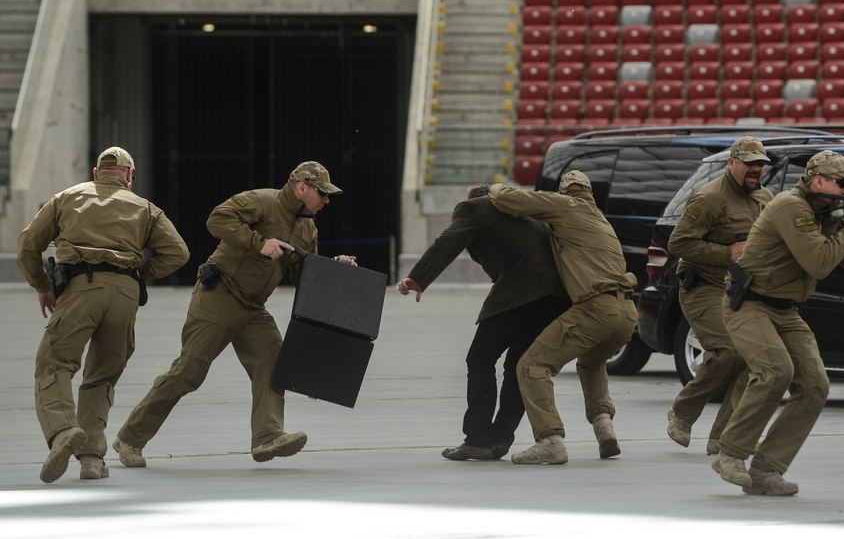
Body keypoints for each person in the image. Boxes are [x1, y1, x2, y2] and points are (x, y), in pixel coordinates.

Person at [114, 161, 356, 468]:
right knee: (189, 372)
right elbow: (217, 219)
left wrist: (334, 268)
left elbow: (301, 275)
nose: (326, 200)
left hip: (253, 308)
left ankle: (267, 437)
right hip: (220, 295)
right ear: (301, 188)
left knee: (273, 361)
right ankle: (129, 439)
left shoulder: (308, 229)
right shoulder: (262, 202)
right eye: (321, 193)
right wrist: (258, 243)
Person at [712, 150, 844, 496]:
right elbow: (819, 263)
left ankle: (766, 469)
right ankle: (731, 453)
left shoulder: (826, 213)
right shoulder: (791, 206)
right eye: (840, 183)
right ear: (818, 180)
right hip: (749, 304)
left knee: (815, 385)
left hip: (786, 309)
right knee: (776, 371)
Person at [17, 147, 189, 483]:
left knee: (54, 363)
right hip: (125, 296)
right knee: (102, 376)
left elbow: (27, 244)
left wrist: (41, 285)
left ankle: (64, 430)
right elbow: (179, 253)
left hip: (81, 289)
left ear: (97, 174)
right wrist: (140, 274)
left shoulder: (66, 197)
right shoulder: (146, 208)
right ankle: (92, 459)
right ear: (129, 176)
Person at [398, 185, 571, 461]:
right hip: (556, 296)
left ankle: (478, 439)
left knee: (480, 358)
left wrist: (419, 278)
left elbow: (449, 239)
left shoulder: (474, 208)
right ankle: (501, 438)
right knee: (519, 364)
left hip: (521, 291)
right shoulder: (527, 213)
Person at [488, 170, 638, 465]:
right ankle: (604, 427)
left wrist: (491, 188)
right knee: (592, 362)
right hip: (626, 313)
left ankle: (550, 440)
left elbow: (512, 200)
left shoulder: (565, 205)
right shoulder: (600, 218)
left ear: (565, 190)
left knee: (532, 365)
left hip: (595, 308)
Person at [666, 137, 774, 454]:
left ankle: (725, 437)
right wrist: (727, 252)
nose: (756, 169)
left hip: (742, 290)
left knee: (753, 359)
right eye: (750, 163)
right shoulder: (709, 198)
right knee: (728, 350)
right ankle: (682, 413)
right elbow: (678, 244)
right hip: (704, 286)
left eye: (761, 164)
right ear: (732, 163)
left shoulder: (765, 198)